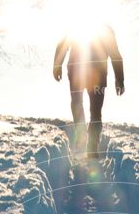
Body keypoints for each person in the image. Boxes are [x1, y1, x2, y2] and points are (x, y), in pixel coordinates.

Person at [53, 23, 125, 160]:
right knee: (86, 107)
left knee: (85, 106)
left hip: (84, 73)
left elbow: (62, 44)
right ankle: (85, 140)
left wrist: (120, 79)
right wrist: (119, 79)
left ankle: (89, 144)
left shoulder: (99, 29)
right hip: (84, 72)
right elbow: (63, 43)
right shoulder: (98, 29)